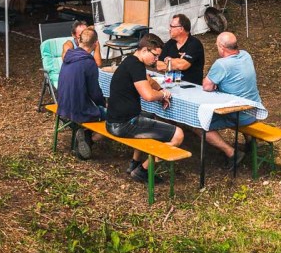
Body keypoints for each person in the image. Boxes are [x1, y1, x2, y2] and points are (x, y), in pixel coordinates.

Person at [105, 33, 185, 183]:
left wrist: (160, 89)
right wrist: (162, 95)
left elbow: (148, 80)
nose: (156, 60)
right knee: (178, 135)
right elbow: (148, 96)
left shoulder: (130, 61)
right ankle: (142, 171)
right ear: (144, 50)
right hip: (123, 124)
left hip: (113, 121)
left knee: (149, 117)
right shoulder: (136, 66)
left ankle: (134, 162)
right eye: (155, 56)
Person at [201, 32, 261, 170]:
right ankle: (250, 141)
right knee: (242, 98)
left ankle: (231, 152)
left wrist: (215, 84)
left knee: (200, 124)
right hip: (253, 109)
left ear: (222, 47)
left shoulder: (221, 64)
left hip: (237, 113)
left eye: (216, 45)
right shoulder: (246, 55)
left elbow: (207, 86)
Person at [56, 28, 105, 159]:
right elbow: (95, 93)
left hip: (62, 106)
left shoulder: (68, 56)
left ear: (78, 41)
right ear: (95, 44)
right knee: (114, 116)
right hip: (79, 111)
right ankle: (89, 138)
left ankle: (84, 136)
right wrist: (103, 105)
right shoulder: (89, 63)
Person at [156, 13, 204, 85]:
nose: (170, 29)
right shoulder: (170, 43)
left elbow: (183, 65)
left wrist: (168, 60)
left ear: (181, 29)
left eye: (172, 26)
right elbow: (159, 66)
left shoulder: (194, 44)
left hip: (190, 86)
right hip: (171, 83)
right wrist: (177, 62)